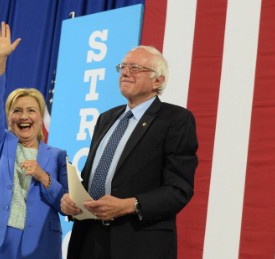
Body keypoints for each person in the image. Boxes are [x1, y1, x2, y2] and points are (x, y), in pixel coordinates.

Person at [60, 45, 199, 259]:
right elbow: (92, 177)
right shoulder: (106, 118)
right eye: (123, 67)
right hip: (88, 239)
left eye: (135, 67)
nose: (125, 72)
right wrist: (74, 201)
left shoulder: (175, 119)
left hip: (138, 243)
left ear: (158, 80)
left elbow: (179, 189)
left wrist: (129, 205)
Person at [0, 22, 68, 259]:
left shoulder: (57, 155)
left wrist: (43, 177)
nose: (24, 116)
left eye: (31, 110)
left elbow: (66, 204)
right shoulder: (0, 142)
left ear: (40, 117)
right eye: (17, 110)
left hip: (37, 245)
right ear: (8, 118)